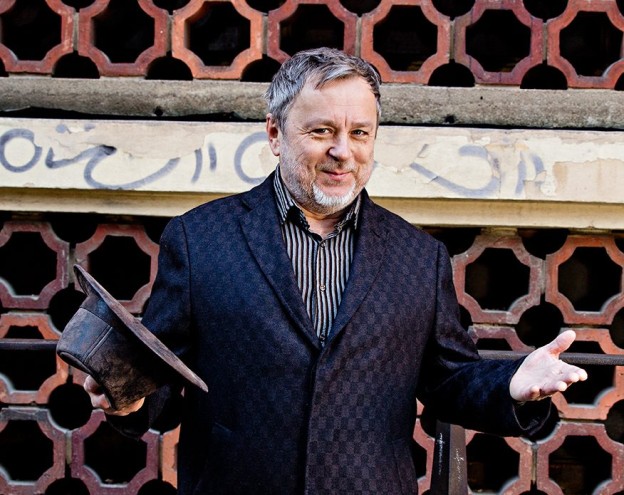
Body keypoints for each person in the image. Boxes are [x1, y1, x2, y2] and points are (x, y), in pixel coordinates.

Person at [84, 47, 587, 494]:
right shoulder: (200, 240)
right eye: (322, 130)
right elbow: (163, 378)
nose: (343, 151)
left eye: (359, 133)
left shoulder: (419, 257)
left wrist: (512, 384)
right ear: (275, 133)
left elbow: (448, 380)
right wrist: (127, 396)